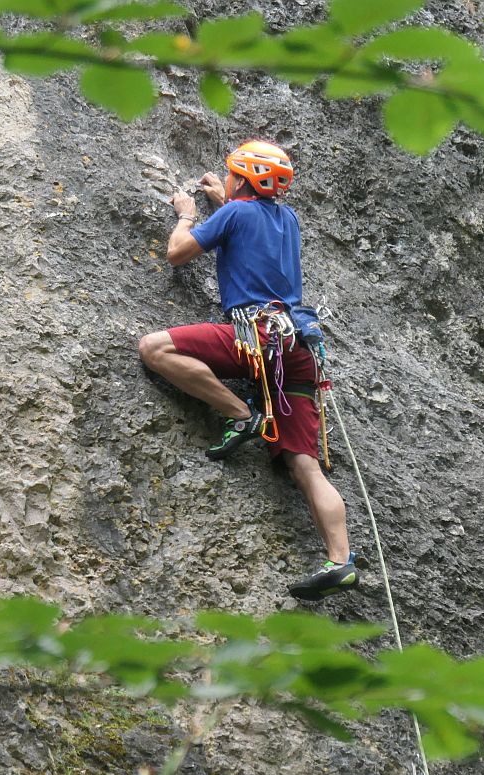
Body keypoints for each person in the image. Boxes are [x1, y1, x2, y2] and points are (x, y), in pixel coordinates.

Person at [138, 140, 360, 600]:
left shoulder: (236, 214)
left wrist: (186, 213)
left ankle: (242, 416)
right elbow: (248, 232)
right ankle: (341, 561)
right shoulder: (288, 219)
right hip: (297, 347)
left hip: (254, 338)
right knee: (305, 464)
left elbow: (179, 252)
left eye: (234, 175)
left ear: (242, 179)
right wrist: (224, 199)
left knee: (154, 348)